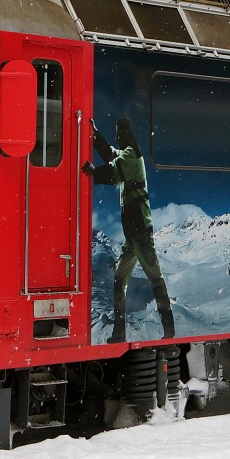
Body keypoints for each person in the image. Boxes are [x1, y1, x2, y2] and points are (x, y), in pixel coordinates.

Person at [83, 117, 175, 343]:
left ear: (125, 134)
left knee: (155, 279)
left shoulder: (132, 156)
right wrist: (96, 136)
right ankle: (119, 332)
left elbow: (112, 171)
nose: (117, 136)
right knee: (119, 279)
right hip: (131, 237)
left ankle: (169, 331)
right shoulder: (126, 154)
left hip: (141, 234)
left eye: (119, 132)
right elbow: (110, 154)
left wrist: (94, 172)